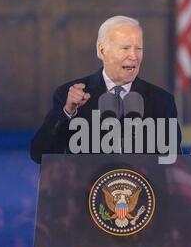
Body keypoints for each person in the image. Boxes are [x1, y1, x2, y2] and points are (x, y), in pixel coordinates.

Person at [30, 15, 182, 164]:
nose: (133, 56)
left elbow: (174, 165)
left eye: (138, 48)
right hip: (86, 188)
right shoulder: (68, 96)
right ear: (102, 50)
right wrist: (67, 111)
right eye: (125, 48)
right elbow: (40, 155)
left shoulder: (162, 101)